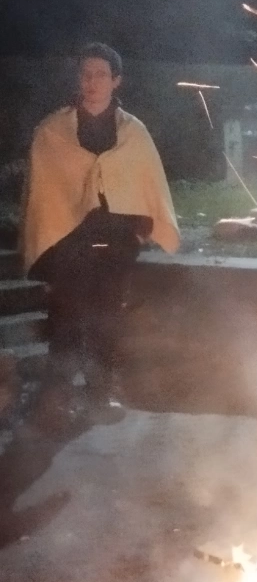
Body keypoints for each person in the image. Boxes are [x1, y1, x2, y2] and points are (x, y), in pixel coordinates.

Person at [23, 44, 179, 420]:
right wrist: (51, 252)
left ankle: (100, 395)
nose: (92, 82)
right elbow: (41, 195)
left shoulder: (133, 133)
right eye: (86, 74)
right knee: (64, 322)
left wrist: (137, 235)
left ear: (116, 80)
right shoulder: (53, 132)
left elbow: (148, 184)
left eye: (101, 75)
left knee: (107, 323)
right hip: (69, 247)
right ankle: (58, 398)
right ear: (78, 80)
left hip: (116, 246)